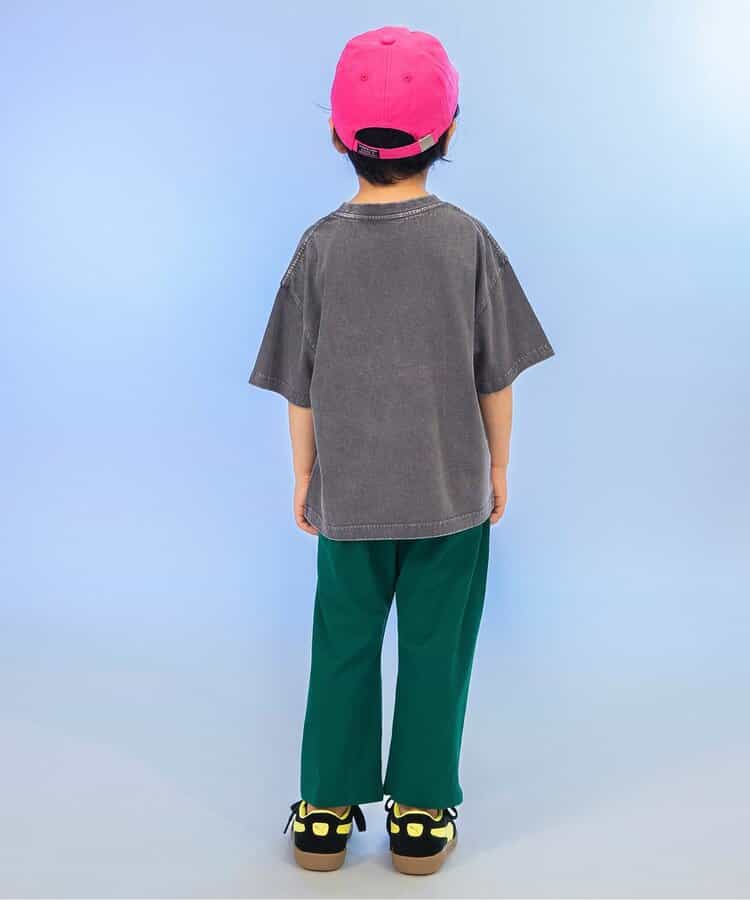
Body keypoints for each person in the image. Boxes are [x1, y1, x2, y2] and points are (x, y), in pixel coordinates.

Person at [249, 25, 554, 876]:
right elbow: (496, 378)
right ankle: (420, 813)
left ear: (337, 134)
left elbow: (301, 385)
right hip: (450, 497)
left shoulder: (318, 247)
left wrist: (305, 475)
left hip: (349, 495)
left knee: (341, 645)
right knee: (435, 649)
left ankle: (323, 812)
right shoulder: (468, 242)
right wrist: (497, 467)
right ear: (447, 132)